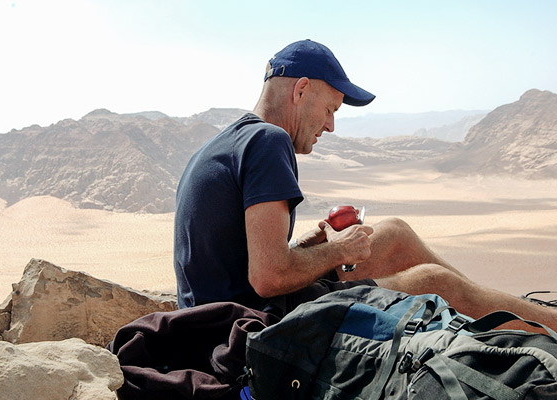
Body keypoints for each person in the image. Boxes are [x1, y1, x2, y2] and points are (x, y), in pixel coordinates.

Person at [173, 39, 557, 333]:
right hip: (250, 327)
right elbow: (269, 276)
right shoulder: (269, 140)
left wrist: (307, 249)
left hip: (226, 312)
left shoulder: (230, 141)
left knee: (392, 233)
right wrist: (338, 250)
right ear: (301, 89)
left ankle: (504, 308)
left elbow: (239, 263)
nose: (331, 126)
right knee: (434, 284)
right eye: (330, 110)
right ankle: (538, 324)